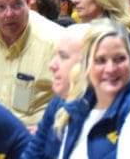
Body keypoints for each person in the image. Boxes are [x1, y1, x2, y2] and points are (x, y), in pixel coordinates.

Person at [56, 19, 130, 157]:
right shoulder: (80, 104)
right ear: (86, 65)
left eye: (120, 59)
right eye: (101, 60)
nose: (111, 69)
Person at [22, 24, 89, 159]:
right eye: (55, 56)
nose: (52, 65)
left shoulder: (109, 114)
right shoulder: (57, 103)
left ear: (89, 64)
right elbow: (32, 153)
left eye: (63, 57)